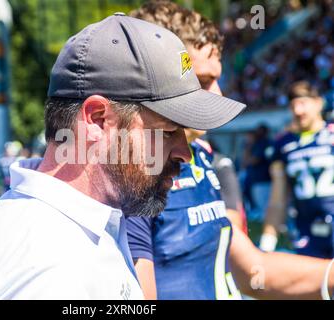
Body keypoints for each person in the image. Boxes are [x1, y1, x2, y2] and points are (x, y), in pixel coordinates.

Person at [0, 13, 245, 299]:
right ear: (97, 119)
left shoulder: (77, 222)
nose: (185, 154)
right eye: (169, 131)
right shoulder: (52, 265)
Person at [126, 0, 334, 300]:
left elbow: (252, 271)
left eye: (217, 79)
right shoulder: (133, 172)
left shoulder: (202, 156)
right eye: (203, 81)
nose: (219, 94)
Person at [261, 81, 334, 258]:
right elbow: (278, 198)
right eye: (293, 105)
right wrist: (267, 242)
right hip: (307, 232)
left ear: (318, 102)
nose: (298, 111)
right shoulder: (283, 143)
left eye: (302, 103)